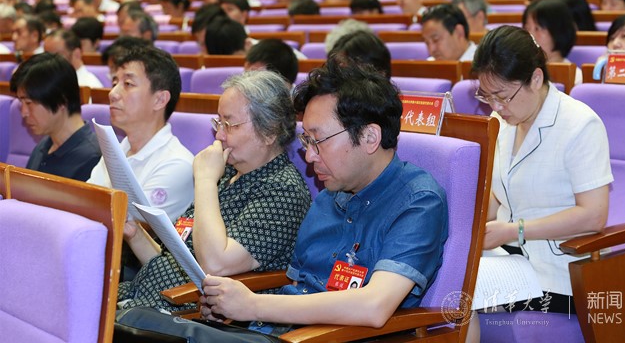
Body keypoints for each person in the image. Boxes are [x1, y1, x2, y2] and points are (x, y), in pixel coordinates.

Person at [200, 58, 448, 332]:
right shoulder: (327, 197)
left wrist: (252, 305)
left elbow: (374, 305)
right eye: (306, 140)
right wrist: (230, 305)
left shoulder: (418, 201)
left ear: (370, 137)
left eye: (318, 141)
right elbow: (298, 285)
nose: (309, 156)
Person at [117, 70, 311, 311]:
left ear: (269, 131)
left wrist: (206, 180)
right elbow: (175, 262)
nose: (219, 135)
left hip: (193, 315)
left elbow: (215, 264)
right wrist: (135, 234)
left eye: (229, 125)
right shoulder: (228, 173)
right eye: (219, 123)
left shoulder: (283, 191)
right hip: (149, 294)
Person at [467, 25, 612, 340]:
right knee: (445, 285)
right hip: (507, 260)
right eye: (487, 96)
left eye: (502, 96)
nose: (496, 107)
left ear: (535, 78)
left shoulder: (580, 125)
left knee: (460, 304)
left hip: (559, 271)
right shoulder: (501, 122)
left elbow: (593, 215)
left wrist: (515, 230)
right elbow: (497, 196)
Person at [87, 45, 194, 224]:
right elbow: (87, 199)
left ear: (159, 100)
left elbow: (132, 227)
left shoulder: (178, 164)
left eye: (128, 84)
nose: (113, 93)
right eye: (114, 83)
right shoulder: (118, 148)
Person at [9, 53, 101, 181]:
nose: (23, 112)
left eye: (29, 103)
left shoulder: (94, 160)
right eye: (21, 103)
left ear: (61, 101)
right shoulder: (44, 145)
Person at [523, 0, 582, 84]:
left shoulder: (575, 78)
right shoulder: (521, 73)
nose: (530, 34)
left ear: (558, 31)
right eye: (527, 28)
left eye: (537, 28)